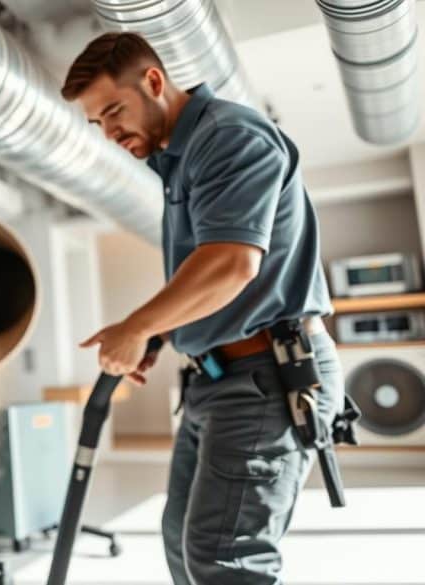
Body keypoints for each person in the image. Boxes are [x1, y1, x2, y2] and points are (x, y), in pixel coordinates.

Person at [62, 32, 343, 585]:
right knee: (185, 544)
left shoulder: (228, 137)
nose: (109, 132)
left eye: (114, 110)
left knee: (225, 559)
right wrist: (158, 336)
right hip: (219, 381)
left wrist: (138, 325)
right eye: (97, 123)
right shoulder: (179, 160)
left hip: (266, 378)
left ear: (154, 82)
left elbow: (232, 264)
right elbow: (209, 278)